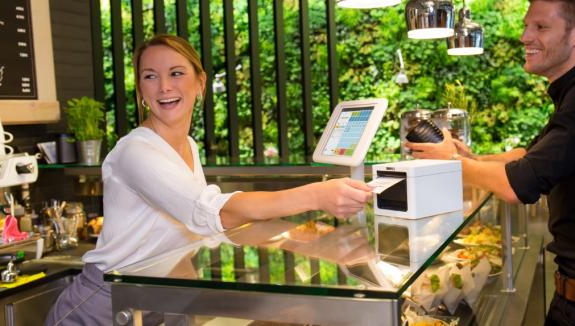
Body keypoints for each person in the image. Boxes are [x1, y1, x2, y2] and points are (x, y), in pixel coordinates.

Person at [45, 34, 372, 325]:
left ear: (200, 83)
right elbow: (211, 213)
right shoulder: (135, 152)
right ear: (141, 89)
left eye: (176, 73)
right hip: (104, 305)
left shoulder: (186, 146)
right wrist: (317, 195)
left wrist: (305, 238)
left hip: (159, 299)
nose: (165, 87)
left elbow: (219, 226)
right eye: (150, 77)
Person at [408, 0, 575, 325]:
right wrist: (472, 159)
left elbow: (518, 186)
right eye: (527, 25)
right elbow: (527, 154)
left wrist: (449, 163)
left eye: (541, 27)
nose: (525, 37)